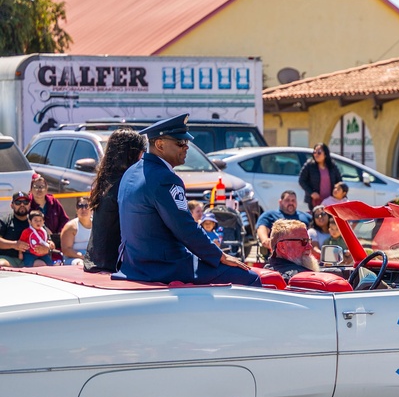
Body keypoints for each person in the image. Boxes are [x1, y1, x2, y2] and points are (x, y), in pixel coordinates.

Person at [116, 114, 260, 286]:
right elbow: (185, 228)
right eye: (180, 143)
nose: (186, 148)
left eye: (187, 143)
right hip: (163, 267)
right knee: (250, 278)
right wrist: (219, 255)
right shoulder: (165, 178)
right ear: (160, 144)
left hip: (133, 265)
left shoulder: (131, 172)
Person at [85, 127, 146, 273]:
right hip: (112, 265)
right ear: (131, 153)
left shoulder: (107, 180)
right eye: (142, 151)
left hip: (96, 260)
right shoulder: (125, 184)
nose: (143, 156)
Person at [256, 190, 313, 256]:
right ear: (280, 202)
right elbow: (263, 232)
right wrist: (266, 240)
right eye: (287, 200)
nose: (290, 203)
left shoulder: (305, 217)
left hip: (303, 254)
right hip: (278, 254)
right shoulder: (270, 215)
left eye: (293, 200)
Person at [27, 173, 69, 247]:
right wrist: (43, 229)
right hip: (36, 241)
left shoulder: (53, 202)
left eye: (42, 187)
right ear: (31, 190)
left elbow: (64, 219)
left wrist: (59, 233)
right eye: (35, 187)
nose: (39, 190)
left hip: (55, 241)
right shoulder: (28, 204)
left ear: (46, 189)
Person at [298, 143, 343, 208]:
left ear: (325, 154)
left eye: (319, 153)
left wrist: (337, 192)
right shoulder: (310, 165)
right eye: (314, 152)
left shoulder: (332, 166)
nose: (316, 155)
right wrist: (311, 193)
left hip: (330, 201)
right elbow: (301, 180)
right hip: (315, 201)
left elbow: (339, 181)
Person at [0, 191, 32, 267]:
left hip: (31, 259)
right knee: (2, 265)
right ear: (12, 205)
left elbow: (48, 240)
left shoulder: (36, 221)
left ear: (29, 205)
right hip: (8, 259)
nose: (22, 205)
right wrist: (14, 245)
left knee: (42, 265)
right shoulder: (5, 220)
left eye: (25, 202)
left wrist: (48, 245)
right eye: (18, 202)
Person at [60, 196, 93, 266]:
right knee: (81, 264)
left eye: (86, 206)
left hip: (92, 257)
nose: (83, 209)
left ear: (91, 208)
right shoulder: (71, 227)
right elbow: (66, 250)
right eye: (80, 206)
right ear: (76, 209)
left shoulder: (97, 224)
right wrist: (81, 256)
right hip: (74, 258)